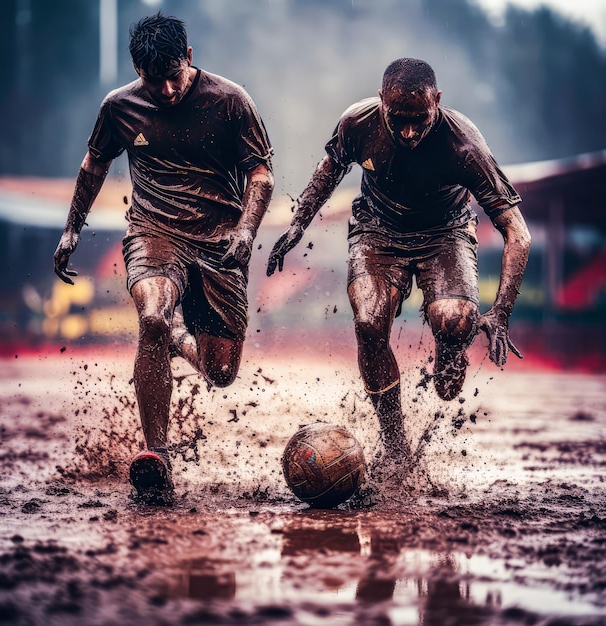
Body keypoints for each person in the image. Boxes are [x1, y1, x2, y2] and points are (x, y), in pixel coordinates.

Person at [54, 13, 274, 505]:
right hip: (154, 232)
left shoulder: (231, 101)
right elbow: (94, 164)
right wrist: (72, 228)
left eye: (175, 75)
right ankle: (157, 455)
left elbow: (261, 174)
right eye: (156, 81)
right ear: (138, 71)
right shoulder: (119, 108)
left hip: (221, 243)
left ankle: (177, 337)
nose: (169, 90)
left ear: (190, 58)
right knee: (152, 314)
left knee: (220, 374)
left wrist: (246, 229)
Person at [267, 58, 530, 465]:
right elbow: (327, 173)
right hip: (377, 230)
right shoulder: (357, 124)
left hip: (445, 233)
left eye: (419, 120)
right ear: (381, 102)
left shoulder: (465, 146)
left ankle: (449, 347)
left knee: (456, 321)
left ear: (437, 102)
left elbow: (518, 233)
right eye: (398, 119)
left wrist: (500, 312)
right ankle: (395, 445)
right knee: (369, 321)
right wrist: (297, 225)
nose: (408, 133)